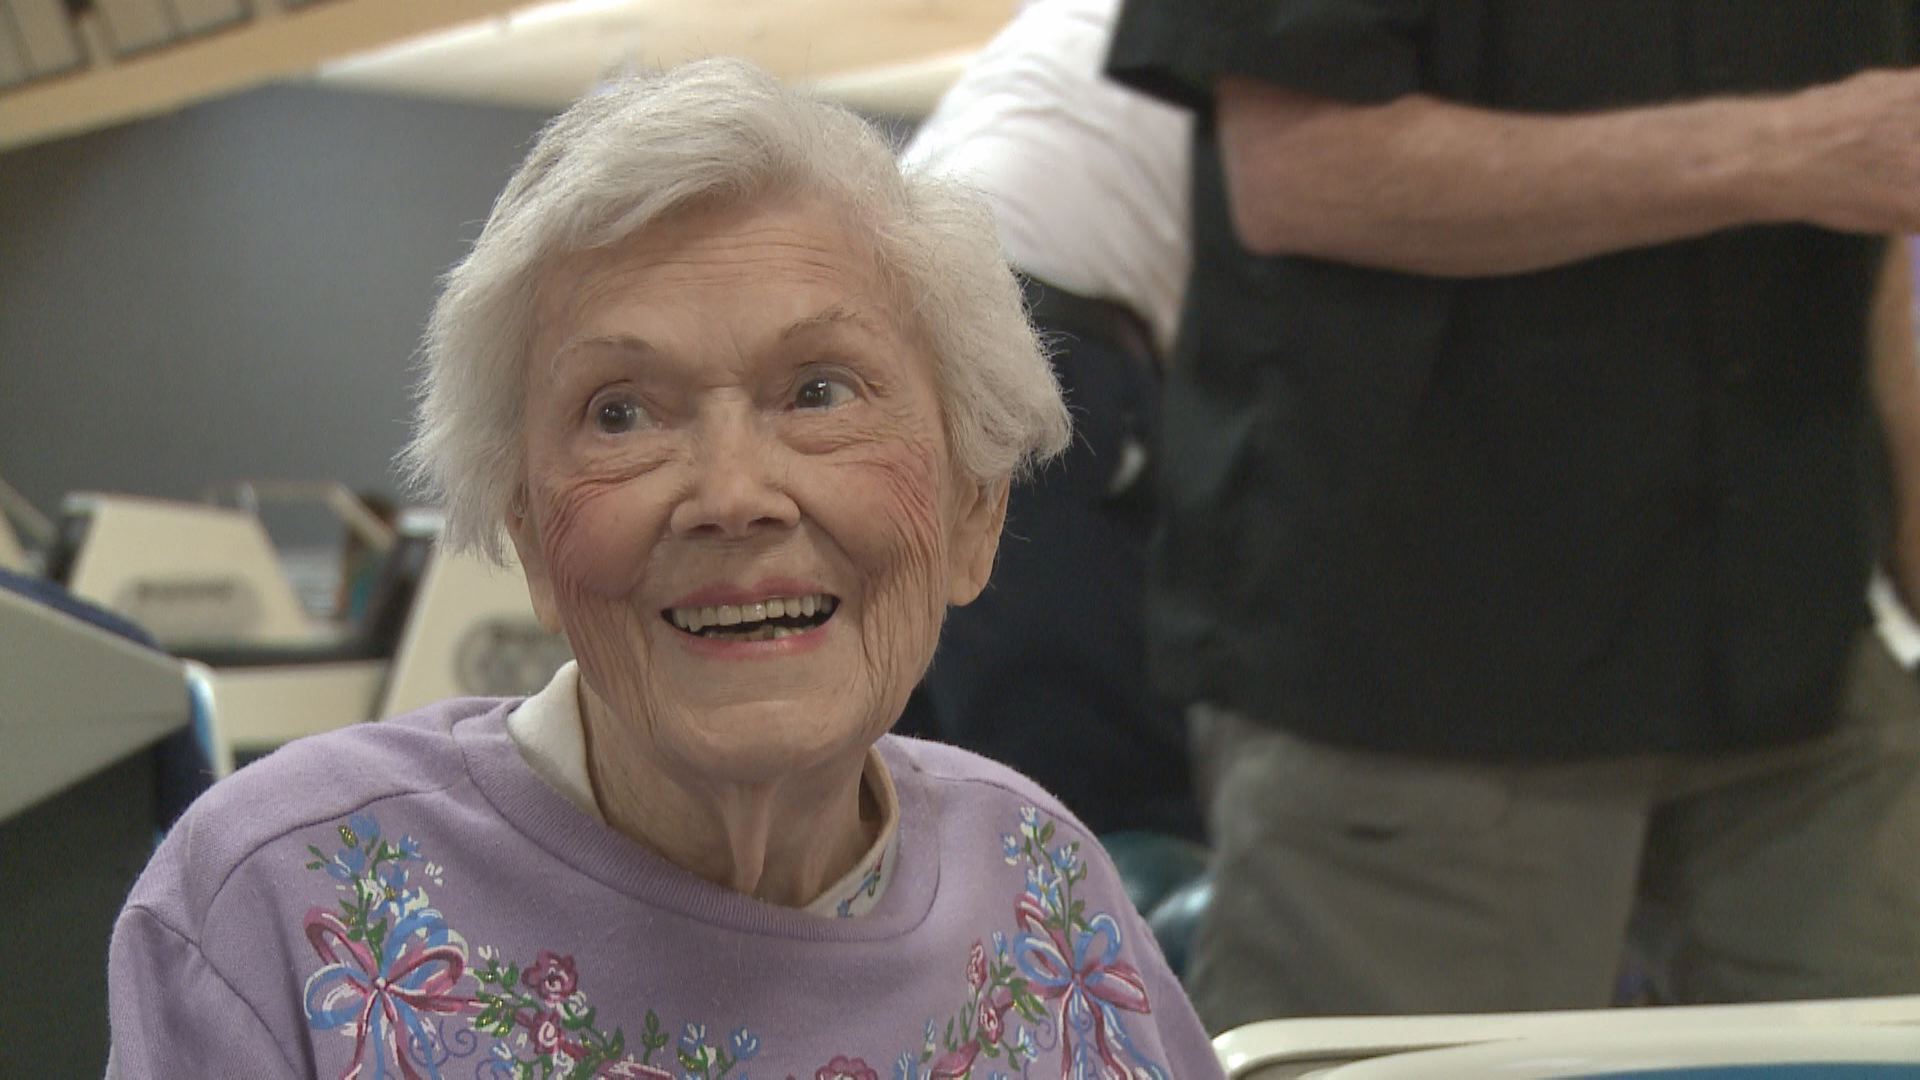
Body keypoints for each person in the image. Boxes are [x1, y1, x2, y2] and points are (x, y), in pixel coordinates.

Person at [105, 59, 1223, 1080]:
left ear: (975, 511)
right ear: (529, 531)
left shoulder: (1046, 890)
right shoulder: (281, 904)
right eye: (621, 413)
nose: (733, 494)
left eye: (820, 391)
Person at [1104, 0, 1920, 1031]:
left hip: (1797, 637)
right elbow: (1301, 170)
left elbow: (1878, 181)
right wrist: (1784, 150)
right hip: (1431, 666)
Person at [895, 0, 1201, 841]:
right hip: (1039, 330)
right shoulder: (1279, 47)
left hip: (897, 322)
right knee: (1086, 780)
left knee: (913, 753)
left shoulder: (1061, 32)